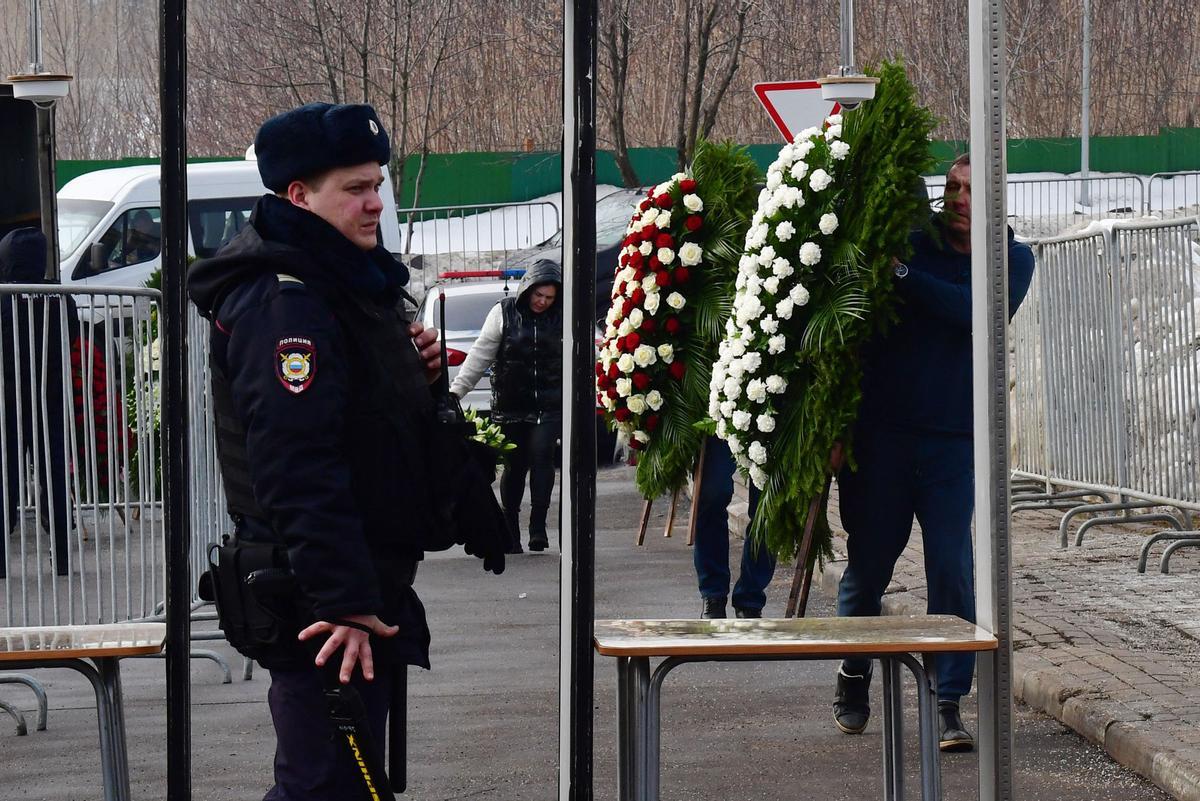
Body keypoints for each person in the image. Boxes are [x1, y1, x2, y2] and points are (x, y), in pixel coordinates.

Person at [187, 102, 452, 800]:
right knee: (325, 788)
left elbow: (363, 424)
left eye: (378, 185)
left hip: (355, 583)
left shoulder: (345, 282)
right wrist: (341, 601)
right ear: (297, 195)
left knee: (344, 787)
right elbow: (295, 464)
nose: (374, 203)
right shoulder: (287, 301)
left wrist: (416, 372)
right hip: (323, 601)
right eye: (355, 189)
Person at [831, 153, 1035, 752]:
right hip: (884, 435)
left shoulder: (1011, 259)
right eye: (952, 186)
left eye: (973, 188)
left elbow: (975, 314)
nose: (960, 197)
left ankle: (949, 702)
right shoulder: (911, 243)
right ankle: (853, 673)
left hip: (953, 442)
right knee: (869, 565)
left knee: (951, 566)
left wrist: (904, 279)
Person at [449, 260, 562, 554]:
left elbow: (584, 353)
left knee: (542, 457)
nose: (543, 302)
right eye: (539, 295)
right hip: (510, 405)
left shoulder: (563, 315)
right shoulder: (504, 312)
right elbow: (480, 355)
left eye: (549, 298)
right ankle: (510, 527)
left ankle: (538, 525)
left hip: (548, 405)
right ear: (527, 290)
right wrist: (456, 392)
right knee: (514, 465)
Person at [0, 227, 77, 578]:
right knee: (55, 473)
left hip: (7, 399)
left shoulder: (3, 295)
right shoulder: (59, 295)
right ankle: (60, 555)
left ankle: (1, 562)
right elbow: (72, 335)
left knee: (5, 477)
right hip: (50, 399)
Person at [692, 436, 776, 618]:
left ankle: (750, 599)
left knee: (767, 507)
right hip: (715, 419)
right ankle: (713, 594)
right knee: (711, 493)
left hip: (774, 413)